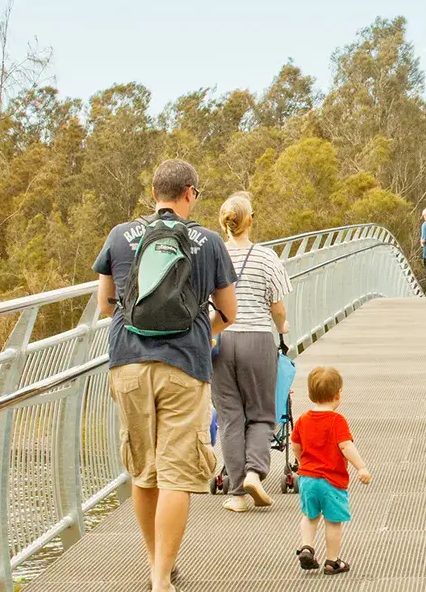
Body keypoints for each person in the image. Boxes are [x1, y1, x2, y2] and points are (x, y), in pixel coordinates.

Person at [95, 159, 237, 592]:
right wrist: (199, 333)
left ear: (154, 192)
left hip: (129, 363)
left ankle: (154, 560)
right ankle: (161, 579)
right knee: (177, 473)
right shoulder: (209, 241)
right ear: (190, 193)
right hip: (184, 366)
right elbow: (228, 312)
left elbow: (106, 304)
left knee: (145, 471)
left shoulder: (121, 236)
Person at [213, 192, 294, 513]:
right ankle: (253, 473)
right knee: (261, 413)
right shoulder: (265, 257)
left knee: (230, 417)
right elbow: (278, 307)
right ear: (250, 221)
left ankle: (236, 495)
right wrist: (284, 325)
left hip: (220, 340)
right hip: (258, 340)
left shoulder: (213, 256)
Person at [293, 366, 371, 576]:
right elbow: (346, 446)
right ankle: (332, 561)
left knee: (309, 516)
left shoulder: (302, 419)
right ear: (337, 394)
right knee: (333, 521)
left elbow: (296, 446)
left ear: (310, 395)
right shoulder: (337, 421)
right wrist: (361, 467)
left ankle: (307, 546)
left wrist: (302, 463)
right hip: (331, 481)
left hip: (307, 478)